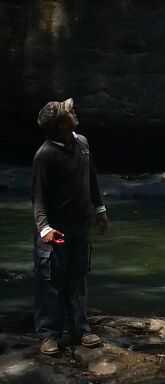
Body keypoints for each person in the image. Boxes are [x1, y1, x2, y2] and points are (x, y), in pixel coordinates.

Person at [32, 98, 110, 355]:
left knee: (78, 276)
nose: (74, 111)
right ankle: (48, 334)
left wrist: (100, 210)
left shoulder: (83, 144)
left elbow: (92, 179)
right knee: (51, 280)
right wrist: (44, 229)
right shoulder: (45, 155)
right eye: (69, 112)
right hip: (55, 228)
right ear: (59, 125)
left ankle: (81, 328)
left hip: (80, 224)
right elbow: (39, 198)